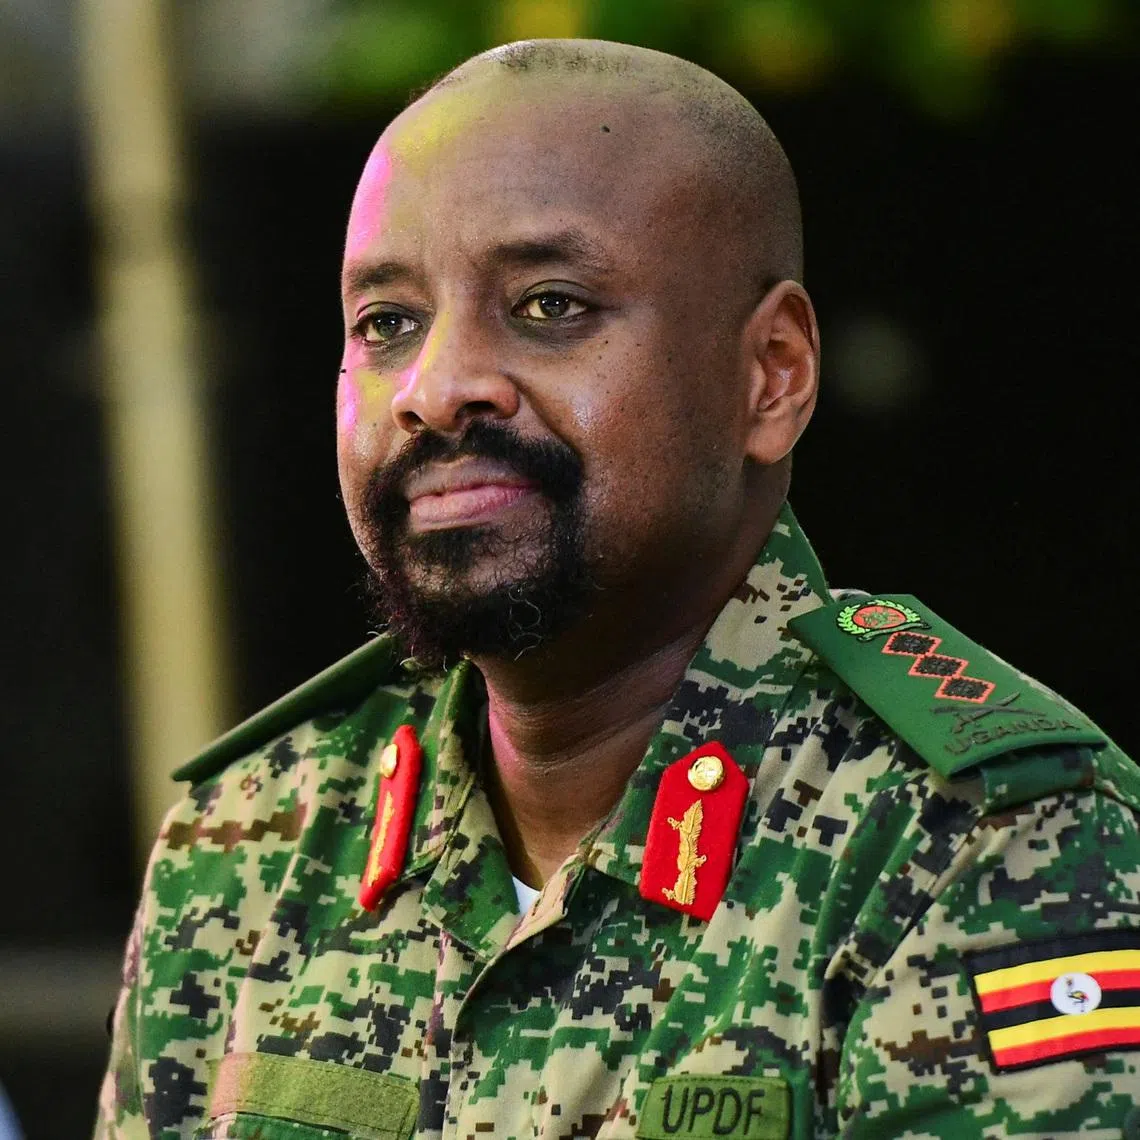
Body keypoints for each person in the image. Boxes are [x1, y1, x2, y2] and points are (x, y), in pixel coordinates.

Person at [96, 38, 1140, 1140]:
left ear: (770, 374)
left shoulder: (986, 844)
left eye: (551, 305)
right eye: (386, 324)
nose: (438, 388)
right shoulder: (255, 842)